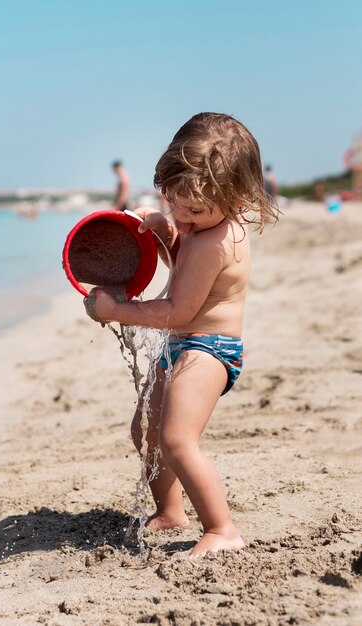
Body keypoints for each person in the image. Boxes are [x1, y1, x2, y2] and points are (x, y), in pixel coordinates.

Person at [87, 113, 278, 557]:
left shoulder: (219, 242)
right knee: (147, 432)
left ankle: (221, 528)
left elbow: (179, 309)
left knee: (176, 439)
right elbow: (183, 267)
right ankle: (171, 510)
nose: (185, 217)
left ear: (237, 196)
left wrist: (119, 310)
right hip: (184, 345)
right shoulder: (200, 229)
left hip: (209, 350)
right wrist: (165, 234)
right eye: (175, 204)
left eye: (195, 211)